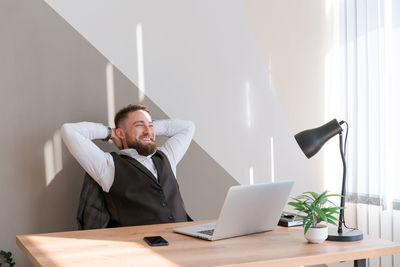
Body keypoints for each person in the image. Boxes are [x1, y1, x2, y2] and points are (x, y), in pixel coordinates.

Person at [61, 104, 195, 227]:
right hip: (142, 246)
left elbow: (188, 127)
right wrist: (111, 133)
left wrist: (148, 127)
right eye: (139, 125)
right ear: (121, 133)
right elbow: (69, 131)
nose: (148, 131)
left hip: (184, 239)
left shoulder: (167, 156)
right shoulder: (108, 165)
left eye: (150, 125)